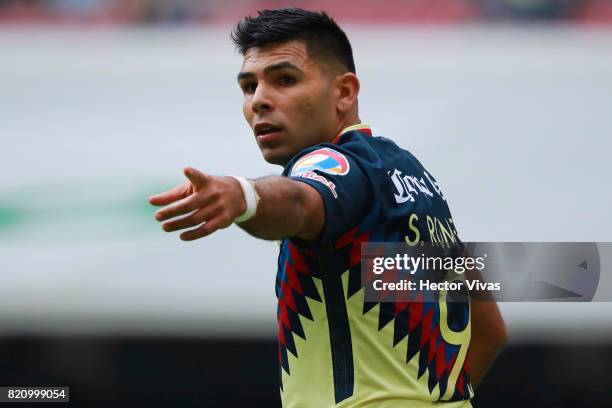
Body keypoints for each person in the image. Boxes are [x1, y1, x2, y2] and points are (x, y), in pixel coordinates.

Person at [149, 8, 507, 407]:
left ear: (344, 92)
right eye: (249, 87)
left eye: (285, 80)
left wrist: (244, 196)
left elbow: (301, 203)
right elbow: (490, 327)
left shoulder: (331, 164)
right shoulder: (411, 177)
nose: (260, 101)